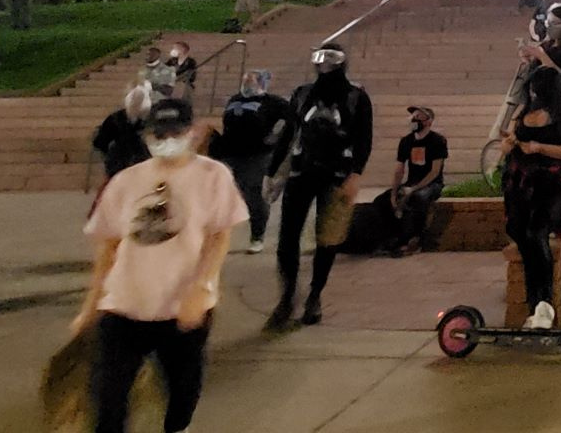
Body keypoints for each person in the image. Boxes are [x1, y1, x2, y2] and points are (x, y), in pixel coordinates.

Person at [75, 96, 249, 433]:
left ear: (192, 132)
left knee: (182, 389)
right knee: (108, 401)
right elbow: (108, 247)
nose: (167, 140)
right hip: (124, 305)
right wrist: (90, 305)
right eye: (159, 134)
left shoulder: (213, 176)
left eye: (175, 132)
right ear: (147, 136)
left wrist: (202, 286)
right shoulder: (125, 181)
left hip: (181, 306)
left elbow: (219, 237)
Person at [266, 46, 372, 327]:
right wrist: (272, 171)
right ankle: (287, 296)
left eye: (331, 59)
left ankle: (314, 296)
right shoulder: (302, 94)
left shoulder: (356, 97)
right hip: (302, 171)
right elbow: (289, 132)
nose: (325, 65)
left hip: (337, 174)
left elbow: (364, 138)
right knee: (287, 238)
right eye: (320, 59)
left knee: (327, 239)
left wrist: (355, 175)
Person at [499, 62, 561, 330]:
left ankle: (544, 302)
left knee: (537, 233)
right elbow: (510, 141)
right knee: (518, 231)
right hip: (522, 183)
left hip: (552, 183)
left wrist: (540, 148)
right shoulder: (526, 112)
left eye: (538, 90)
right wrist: (509, 144)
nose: (534, 94)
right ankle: (533, 301)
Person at [212, 70, 291, 254]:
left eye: (251, 81)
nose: (247, 84)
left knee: (254, 194)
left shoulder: (273, 102)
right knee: (229, 193)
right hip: (231, 153)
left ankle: (257, 236)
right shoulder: (235, 99)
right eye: (245, 81)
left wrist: (276, 137)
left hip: (256, 155)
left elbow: (291, 121)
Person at [382, 105, 447, 256]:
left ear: (429, 121)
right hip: (411, 182)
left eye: (419, 117)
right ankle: (390, 238)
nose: (414, 120)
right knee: (383, 199)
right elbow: (399, 170)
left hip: (432, 184)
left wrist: (414, 189)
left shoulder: (438, 141)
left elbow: (435, 172)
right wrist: (393, 193)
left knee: (419, 198)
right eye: (413, 117)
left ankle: (415, 240)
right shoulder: (406, 141)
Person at [93, 86, 153, 183]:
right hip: (124, 162)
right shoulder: (115, 119)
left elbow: (100, 143)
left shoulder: (150, 120)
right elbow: (100, 142)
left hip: (132, 163)